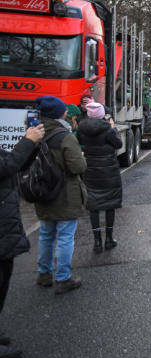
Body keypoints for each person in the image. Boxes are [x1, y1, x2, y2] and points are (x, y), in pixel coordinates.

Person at [33, 96, 87, 294]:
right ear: (58, 114)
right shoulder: (64, 136)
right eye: (63, 109)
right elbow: (78, 166)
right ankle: (63, 278)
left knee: (46, 234)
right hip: (65, 193)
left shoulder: (32, 133)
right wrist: (81, 157)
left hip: (42, 192)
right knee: (65, 236)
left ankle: (44, 274)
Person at [0, 122, 44, 358]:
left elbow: (14, 164)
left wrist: (33, 145)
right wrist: (28, 141)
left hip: (3, 227)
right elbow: (7, 165)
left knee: (3, 281)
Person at [76, 102, 122, 253]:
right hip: (108, 171)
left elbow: (80, 145)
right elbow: (118, 144)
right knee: (110, 204)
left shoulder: (81, 129)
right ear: (102, 114)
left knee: (93, 205)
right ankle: (109, 238)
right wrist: (113, 128)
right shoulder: (108, 130)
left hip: (90, 170)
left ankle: (97, 241)